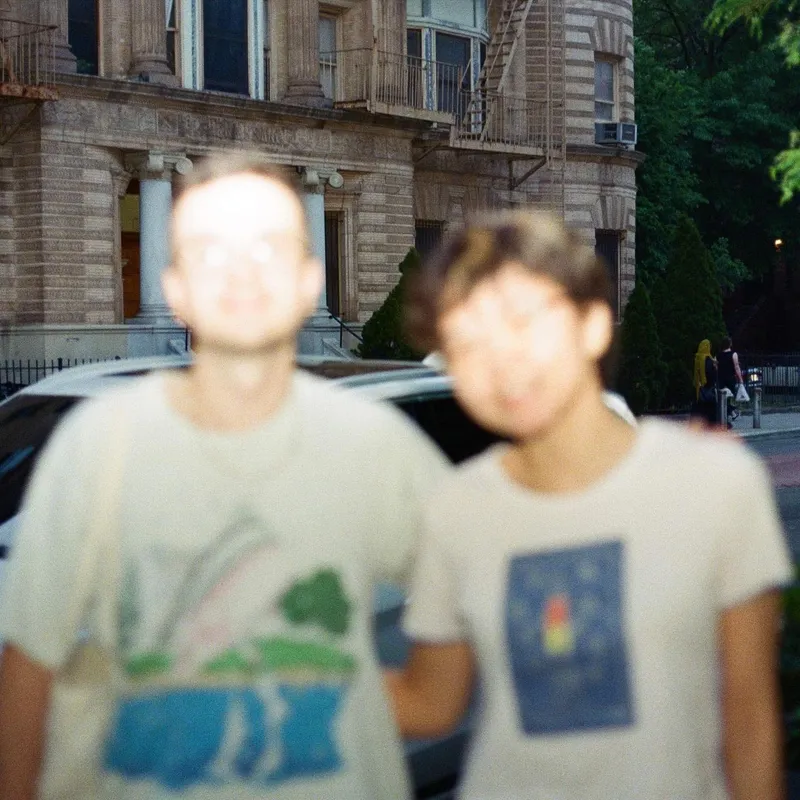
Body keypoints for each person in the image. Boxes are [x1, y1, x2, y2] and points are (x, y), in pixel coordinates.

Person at [0, 154, 449, 800]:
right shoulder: (98, 447)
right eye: (212, 250)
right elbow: (27, 675)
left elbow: (444, 679)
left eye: (266, 248)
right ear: (175, 287)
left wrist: (329, 705)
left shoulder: (381, 448)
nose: (241, 272)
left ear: (307, 281)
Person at [386, 210, 791, 800]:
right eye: (468, 342)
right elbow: (432, 700)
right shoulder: (455, 507)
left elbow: (750, 717)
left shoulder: (715, 483)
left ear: (593, 327)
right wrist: (267, 667)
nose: (504, 363)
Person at [718, 336, 745, 425]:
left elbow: (716, 366)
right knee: (730, 396)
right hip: (730, 378)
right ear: (730, 344)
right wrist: (740, 379)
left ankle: (730, 412)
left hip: (720, 378)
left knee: (722, 397)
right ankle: (732, 411)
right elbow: (736, 366)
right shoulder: (734, 354)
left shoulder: (718, 355)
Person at [692, 338, 718, 426]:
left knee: (699, 407)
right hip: (708, 386)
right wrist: (715, 367)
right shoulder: (709, 359)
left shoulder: (697, 358)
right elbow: (711, 374)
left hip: (699, 388)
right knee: (710, 407)